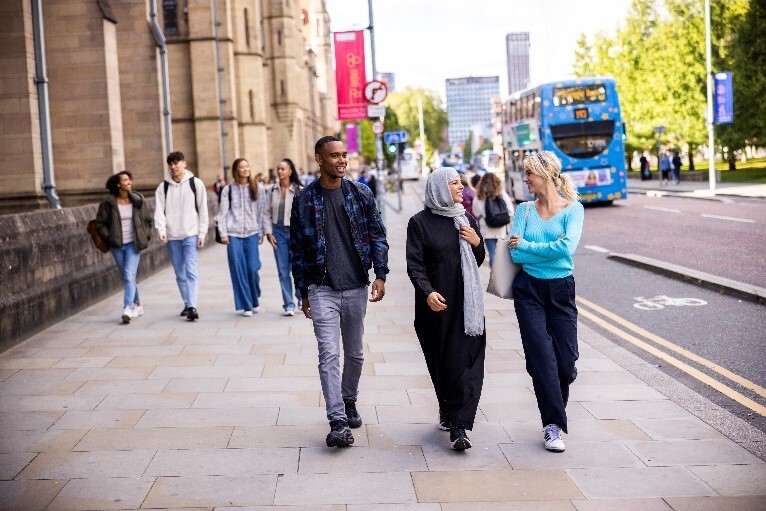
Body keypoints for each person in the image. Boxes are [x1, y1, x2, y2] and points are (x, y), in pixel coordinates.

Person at [290, 135, 389, 448]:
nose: (341, 160)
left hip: (357, 285)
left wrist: (381, 274)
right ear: (319, 159)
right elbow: (297, 250)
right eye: (334, 156)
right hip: (322, 289)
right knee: (329, 353)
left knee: (356, 354)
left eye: (343, 154)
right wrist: (302, 292)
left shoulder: (360, 193)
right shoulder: (304, 200)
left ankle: (349, 399)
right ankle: (337, 420)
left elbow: (377, 234)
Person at [508, 151, 584, 453]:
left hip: (561, 290)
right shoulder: (523, 211)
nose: (525, 179)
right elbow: (515, 255)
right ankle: (552, 426)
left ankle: (554, 394)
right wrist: (537, 249)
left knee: (565, 366)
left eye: (529, 173)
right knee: (542, 359)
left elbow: (567, 249)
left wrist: (528, 245)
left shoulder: (573, 210)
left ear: (547, 174)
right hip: (528, 290)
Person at [406, 167, 486, 451]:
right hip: (436, 309)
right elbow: (414, 264)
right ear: (439, 188)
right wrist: (427, 292)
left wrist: (477, 244)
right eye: (454, 183)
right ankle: (448, 409)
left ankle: (459, 426)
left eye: (460, 182)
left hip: (468, 305)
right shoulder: (419, 223)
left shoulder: (465, 219)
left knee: (467, 363)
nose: (461, 187)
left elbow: (477, 260)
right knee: (443, 365)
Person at [154, 151, 209, 321]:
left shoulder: (196, 184)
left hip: (190, 233)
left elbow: (203, 210)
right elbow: (159, 211)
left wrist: (202, 233)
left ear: (184, 164)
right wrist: (161, 231)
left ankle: (192, 305)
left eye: (177, 163)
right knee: (179, 272)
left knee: (191, 270)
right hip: (172, 236)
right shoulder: (163, 187)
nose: (174, 166)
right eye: (171, 164)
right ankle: (187, 302)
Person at [95, 171, 152, 324]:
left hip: (133, 245)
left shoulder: (137, 200)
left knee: (128, 275)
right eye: (125, 180)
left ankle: (128, 307)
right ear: (118, 184)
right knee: (128, 277)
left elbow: (147, 220)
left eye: (129, 180)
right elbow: (99, 223)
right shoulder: (108, 203)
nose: (129, 182)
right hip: (117, 245)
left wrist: (145, 236)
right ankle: (138, 304)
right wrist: (109, 237)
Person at [217, 158, 266, 316]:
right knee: (238, 270)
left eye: (247, 166)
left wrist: (261, 231)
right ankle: (247, 305)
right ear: (236, 170)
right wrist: (223, 233)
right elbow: (223, 213)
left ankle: (254, 298)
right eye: (241, 167)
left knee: (252, 268)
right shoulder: (228, 190)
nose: (245, 169)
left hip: (252, 232)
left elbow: (262, 211)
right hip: (233, 234)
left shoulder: (257, 187)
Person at [264, 158, 303, 316]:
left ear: (290, 171)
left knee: (298, 268)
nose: (280, 172)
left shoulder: (299, 190)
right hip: (278, 231)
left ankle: (301, 298)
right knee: (282, 270)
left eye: (283, 169)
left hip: (295, 232)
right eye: (278, 169)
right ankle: (288, 304)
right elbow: (266, 212)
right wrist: (269, 232)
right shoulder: (272, 190)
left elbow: (305, 214)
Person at [472, 172, 514, 266]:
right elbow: (510, 210)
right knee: (501, 254)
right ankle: (501, 274)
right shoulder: (501, 193)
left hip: (487, 228)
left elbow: (476, 212)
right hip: (501, 228)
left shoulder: (479, 195)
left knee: (492, 253)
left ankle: (494, 275)